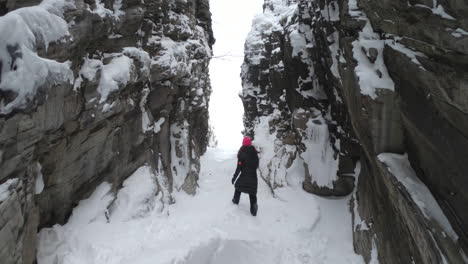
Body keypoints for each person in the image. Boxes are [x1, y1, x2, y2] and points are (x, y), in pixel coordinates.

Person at [231, 136, 259, 216]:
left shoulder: (241, 153)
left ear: (243, 143)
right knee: (252, 192)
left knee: (238, 187)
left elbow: (238, 168)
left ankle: (235, 200)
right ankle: (253, 209)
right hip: (253, 177)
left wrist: (234, 177)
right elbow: (256, 166)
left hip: (244, 176)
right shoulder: (254, 153)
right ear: (250, 143)